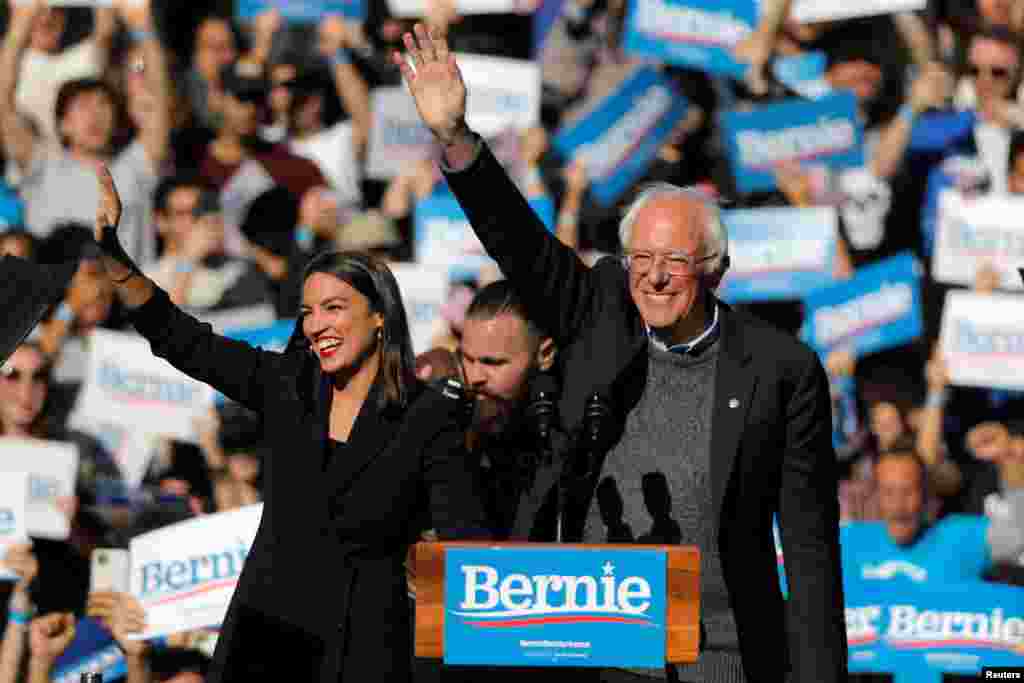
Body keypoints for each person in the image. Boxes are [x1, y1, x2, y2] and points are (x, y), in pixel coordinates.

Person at [396, 24, 847, 683]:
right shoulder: (599, 311)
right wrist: (456, 138)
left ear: (715, 270)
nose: (654, 277)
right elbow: (519, 242)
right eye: (642, 258)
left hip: (720, 656)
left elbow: (809, 549)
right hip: (596, 647)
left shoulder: (780, 369)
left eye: (674, 261)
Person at [89, 162, 487, 682]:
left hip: (362, 651)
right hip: (265, 644)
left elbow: (464, 548)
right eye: (308, 311)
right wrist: (117, 261)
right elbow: (182, 339)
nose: (317, 323)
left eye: (334, 307)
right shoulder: (286, 386)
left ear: (379, 315)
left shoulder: (428, 416)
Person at [841, 442, 1024, 584]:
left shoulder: (962, 537)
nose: (898, 504)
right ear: (875, 496)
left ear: (927, 495)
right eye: (888, 491)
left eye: (908, 491)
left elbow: (1019, 536)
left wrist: (1010, 460)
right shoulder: (850, 542)